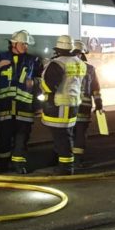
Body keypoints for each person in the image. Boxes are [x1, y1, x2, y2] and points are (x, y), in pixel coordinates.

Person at [0, 29, 43, 173]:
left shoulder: (33, 61)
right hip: (4, 107)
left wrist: (35, 83)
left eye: (26, 44)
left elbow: (42, 80)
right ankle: (3, 164)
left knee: (22, 138)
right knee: (3, 137)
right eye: (23, 44)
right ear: (14, 44)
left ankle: (19, 164)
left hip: (24, 107)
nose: (25, 47)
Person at [39, 35, 87, 175]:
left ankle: (66, 168)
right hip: (73, 104)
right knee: (66, 134)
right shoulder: (80, 63)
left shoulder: (57, 63)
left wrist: (40, 88)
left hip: (59, 104)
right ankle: (63, 163)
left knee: (62, 137)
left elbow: (48, 85)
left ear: (58, 49)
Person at [71, 40, 103, 166]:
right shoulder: (90, 69)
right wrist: (99, 104)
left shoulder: (65, 66)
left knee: (70, 133)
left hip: (70, 106)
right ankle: (77, 159)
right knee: (80, 133)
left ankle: (69, 158)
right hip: (84, 107)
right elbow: (96, 89)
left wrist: (99, 103)